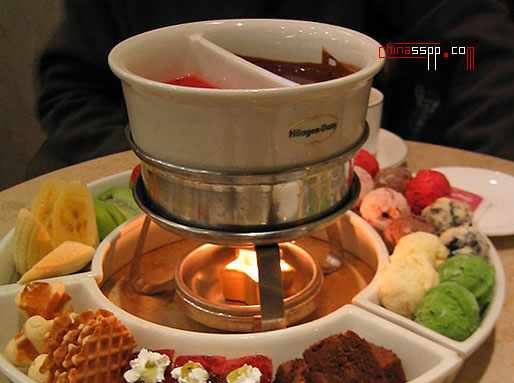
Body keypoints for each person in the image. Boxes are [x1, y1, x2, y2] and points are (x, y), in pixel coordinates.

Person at [28, 0, 514, 177]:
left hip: (334, 174)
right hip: (174, 193)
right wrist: (157, 168)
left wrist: (482, 183)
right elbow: (72, 88)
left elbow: (463, 53)